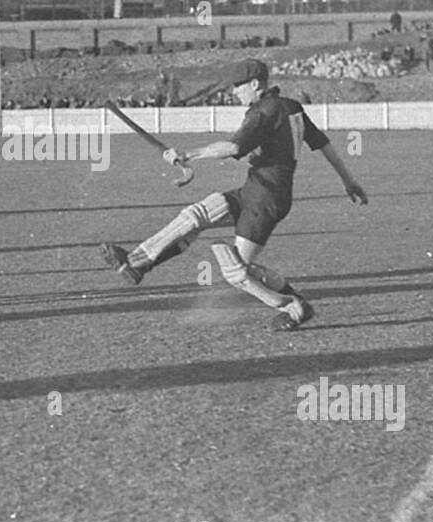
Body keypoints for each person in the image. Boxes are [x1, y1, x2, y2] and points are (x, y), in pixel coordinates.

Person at [99, 59, 368, 330]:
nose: (235, 92)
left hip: (266, 200)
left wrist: (188, 154)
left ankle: (292, 306)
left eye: (239, 86)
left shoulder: (263, 112)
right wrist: (349, 181)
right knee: (196, 215)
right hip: (256, 190)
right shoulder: (291, 107)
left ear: (255, 84)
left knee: (236, 269)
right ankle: (137, 263)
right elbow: (324, 145)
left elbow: (232, 147)